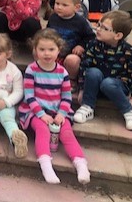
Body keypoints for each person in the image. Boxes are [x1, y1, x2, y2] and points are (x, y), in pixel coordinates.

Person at [19, 29, 90, 185]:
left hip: (57, 110)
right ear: (35, 51)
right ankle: (45, 164)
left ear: (59, 50)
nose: (47, 53)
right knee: (43, 130)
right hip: (35, 111)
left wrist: (62, 114)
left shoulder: (62, 72)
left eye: (51, 49)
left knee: (67, 133)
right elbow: (29, 96)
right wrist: (41, 115)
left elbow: (66, 97)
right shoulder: (32, 70)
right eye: (42, 49)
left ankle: (81, 164)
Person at [74, 11, 132, 131]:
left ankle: (128, 112)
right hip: (95, 85)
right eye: (98, 25)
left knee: (108, 83)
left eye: (104, 28)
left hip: (116, 86)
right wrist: (82, 88)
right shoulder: (93, 45)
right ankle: (87, 107)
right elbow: (84, 67)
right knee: (92, 72)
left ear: (118, 36)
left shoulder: (130, 51)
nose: (98, 29)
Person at [47, 0, 95, 81]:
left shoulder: (81, 22)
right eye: (57, 3)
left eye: (64, 5)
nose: (59, 7)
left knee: (72, 60)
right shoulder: (53, 18)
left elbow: (91, 37)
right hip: (54, 52)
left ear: (76, 7)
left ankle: (71, 81)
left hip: (71, 54)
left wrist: (81, 46)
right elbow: (47, 34)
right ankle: (44, 76)